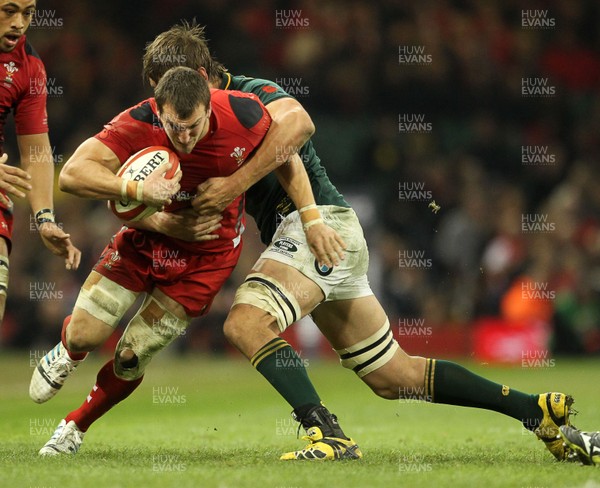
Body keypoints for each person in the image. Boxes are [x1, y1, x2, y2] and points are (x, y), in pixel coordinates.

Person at [32, 22, 575, 462]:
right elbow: (106, 184)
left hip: (319, 226)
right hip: (310, 237)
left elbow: (297, 129)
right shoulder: (178, 123)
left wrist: (255, 194)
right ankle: (536, 410)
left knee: (245, 322)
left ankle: (326, 435)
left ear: (200, 75)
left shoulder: (249, 95)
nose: (161, 103)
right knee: (393, 375)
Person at [30, 66, 272, 456]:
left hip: (208, 256)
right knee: (84, 335)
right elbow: (72, 176)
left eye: (194, 126)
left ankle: (74, 425)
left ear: (209, 105)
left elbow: (293, 140)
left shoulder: (246, 115)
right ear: (158, 110)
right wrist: (137, 189)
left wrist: (296, 209)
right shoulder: (138, 121)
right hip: (146, 239)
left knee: (130, 356)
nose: (185, 137)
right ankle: (69, 351)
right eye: (176, 127)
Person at [0, 0, 80, 326]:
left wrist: (44, 217)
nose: (19, 23)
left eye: (28, 12)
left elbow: (36, 150)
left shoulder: (28, 67)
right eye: (9, 11)